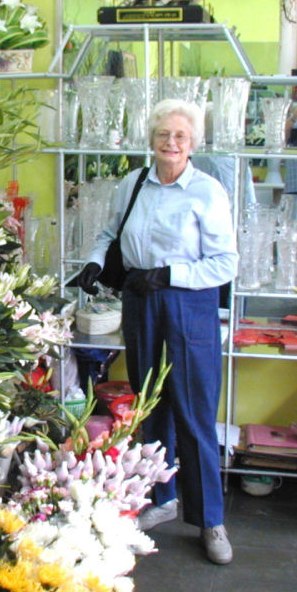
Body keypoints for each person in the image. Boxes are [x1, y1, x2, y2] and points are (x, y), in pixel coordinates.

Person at [74, 99, 239, 565]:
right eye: (163, 135)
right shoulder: (133, 184)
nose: (171, 143)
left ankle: (210, 519)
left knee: (194, 408)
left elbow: (226, 263)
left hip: (188, 304)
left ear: (193, 144)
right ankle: (161, 498)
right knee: (151, 403)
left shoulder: (207, 191)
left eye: (180, 137)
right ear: (151, 140)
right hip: (140, 300)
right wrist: (93, 260)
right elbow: (109, 232)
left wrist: (170, 275)